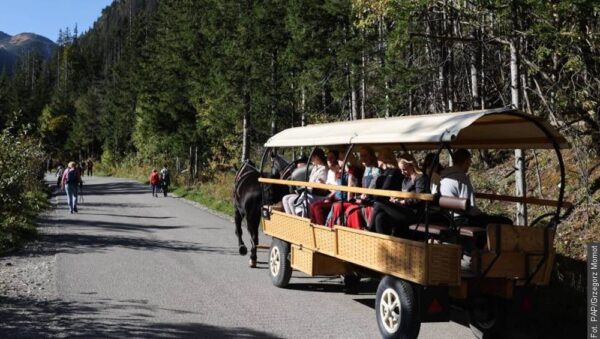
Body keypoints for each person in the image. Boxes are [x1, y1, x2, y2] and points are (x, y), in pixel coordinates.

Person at [439, 149, 513, 227]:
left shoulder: (444, 177)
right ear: (466, 161)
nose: (469, 164)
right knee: (506, 221)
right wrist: (481, 214)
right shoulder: (462, 178)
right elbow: (470, 207)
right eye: (469, 162)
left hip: (449, 218)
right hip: (462, 219)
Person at [373, 154, 429, 236]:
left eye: (404, 170)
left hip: (414, 213)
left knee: (379, 202)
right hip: (404, 209)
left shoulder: (421, 178)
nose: (402, 173)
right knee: (380, 217)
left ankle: (369, 229)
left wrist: (403, 202)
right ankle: (384, 242)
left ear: (411, 166)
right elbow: (404, 195)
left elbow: (420, 198)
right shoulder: (405, 180)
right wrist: (397, 199)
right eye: (401, 170)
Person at [282, 148, 328, 217]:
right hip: (309, 192)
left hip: (316, 195)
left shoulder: (324, 169)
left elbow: (319, 186)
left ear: (317, 157)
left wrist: (306, 187)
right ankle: (292, 219)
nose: (311, 159)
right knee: (285, 198)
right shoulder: (315, 168)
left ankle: (299, 220)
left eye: (312, 157)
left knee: (292, 201)